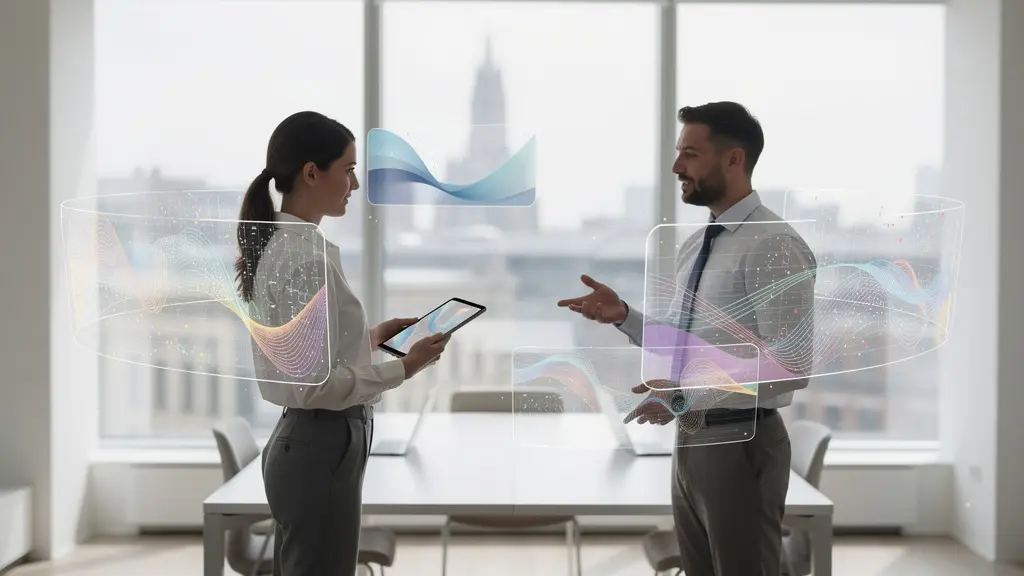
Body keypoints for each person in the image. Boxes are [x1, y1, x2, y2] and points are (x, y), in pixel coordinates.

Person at [557, 102, 817, 576]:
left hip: (741, 440)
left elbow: (791, 365)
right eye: (679, 153)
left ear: (734, 159)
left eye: (690, 154)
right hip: (694, 436)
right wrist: (625, 316)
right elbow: (684, 344)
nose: (677, 166)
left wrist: (686, 395)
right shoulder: (697, 244)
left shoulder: (772, 244)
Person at [234, 111, 450, 576]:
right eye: (348, 169)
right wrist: (405, 367)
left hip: (314, 445)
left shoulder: (289, 247)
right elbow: (315, 386)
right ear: (312, 173)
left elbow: (306, 362)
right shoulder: (302, 259)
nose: (354, 184)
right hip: (320, 446)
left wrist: (367, 340)